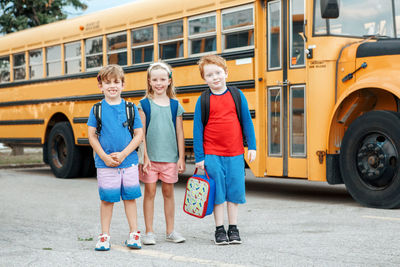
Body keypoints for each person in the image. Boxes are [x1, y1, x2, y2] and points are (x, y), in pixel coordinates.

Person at [193, 54, 256, 245]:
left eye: (218, 73)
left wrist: (251, 146)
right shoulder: (203, 100)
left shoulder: (237, 95)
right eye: (210, 75)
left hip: (235, 153)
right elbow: (197, 130)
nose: (215, 77)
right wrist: (199, 157)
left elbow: (246, 122)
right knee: (218, 192)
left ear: (226, 73)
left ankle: (233, 228)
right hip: (212, 154)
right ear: (204, 78)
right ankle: (219, 229)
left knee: (234, 191)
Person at [87, 64, 144, 251]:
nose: (112, 86)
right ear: (100, 86)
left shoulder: (130, 108)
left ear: (123, 84)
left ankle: (134, 234)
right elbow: (92, 135)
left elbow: (138, 134)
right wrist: (103, 156)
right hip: (105, 164)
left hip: (128, 162)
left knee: (130, 198)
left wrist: (124, 154)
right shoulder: (97, 109)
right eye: (107, 82)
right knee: (107, 200)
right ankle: (104, 236)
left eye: (116, 82)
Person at [138, 62, 186, 245]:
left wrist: (181, 157)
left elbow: (180, 132)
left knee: (168, 192)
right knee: (149, 192)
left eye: (162, 79)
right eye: (155, 79)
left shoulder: (175, 105)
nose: (159, 83)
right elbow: (140, 134)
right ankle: (149, 232)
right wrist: (145, 156)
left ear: (169, 81)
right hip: (150, 159)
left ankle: (170, 230)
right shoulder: (144, 105)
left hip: (170, 158)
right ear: (149, 81)